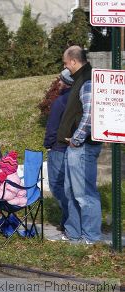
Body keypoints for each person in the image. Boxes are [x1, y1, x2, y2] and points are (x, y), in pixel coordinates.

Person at [55, 45, 103, 245]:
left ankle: (90, 237)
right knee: (70, 192)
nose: (65, 67)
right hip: (75, 148)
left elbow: (89, 115)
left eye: (67, 63)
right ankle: (74, 234)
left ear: (74, 62)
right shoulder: (79, 79)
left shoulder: (86, 80)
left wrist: (76, 139)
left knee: (84, 194)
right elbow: (63, 76)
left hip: (81, 147)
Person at [43, 69, 73, 231]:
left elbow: (52, 127)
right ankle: (67, 222)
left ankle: (70, 220)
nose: (59, 83)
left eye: (61, 80)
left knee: (56, 185)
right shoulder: (78, 100)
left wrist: (48, 144)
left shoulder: (60, 102)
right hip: (74, 148)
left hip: (59, 148)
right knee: (71, 186)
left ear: (67, 83)